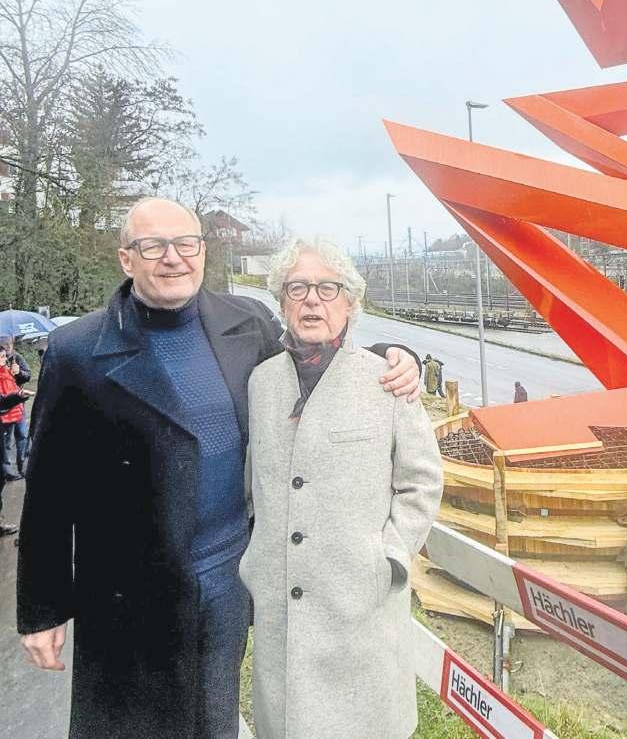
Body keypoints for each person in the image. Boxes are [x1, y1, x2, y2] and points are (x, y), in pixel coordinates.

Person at [17, 197, 422, 739]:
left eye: (186, 243)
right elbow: (49, 488)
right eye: (152, 246)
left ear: (203, 252)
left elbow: (315, 354)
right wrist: (42, 609)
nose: (172, 258)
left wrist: (396, 354)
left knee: (214, 719)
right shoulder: (78, 350)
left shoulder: (245, 324)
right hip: (125, 590)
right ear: (125, 258)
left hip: (228, 579)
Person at [241, 238, 443, 739]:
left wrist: (389, 557)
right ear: (282, 301)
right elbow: (252, 484)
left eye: (328, 288)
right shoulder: (261, 383)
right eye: (297, 288)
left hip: (361, 612)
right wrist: (255, 563)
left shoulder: (387, 381)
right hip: (281, 615)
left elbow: (421, 481)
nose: (312, 300)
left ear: (350, 302)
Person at [0, 354, 29, 536]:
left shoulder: (12, 364)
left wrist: (18, 376)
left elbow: (25, 376)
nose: (4, 358)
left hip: (13, 414)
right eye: (1, 356)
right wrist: (17, 397)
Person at [0, 336, 31, 479]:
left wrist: (18, 373)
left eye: (9, 344)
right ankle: (8, 471)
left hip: (18, 406)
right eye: (4, 345)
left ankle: (21, 466)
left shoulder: (17, 358)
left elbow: (27, 376)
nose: (7, 347)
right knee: (6, 441)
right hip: (6, 409)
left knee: (22, 435)